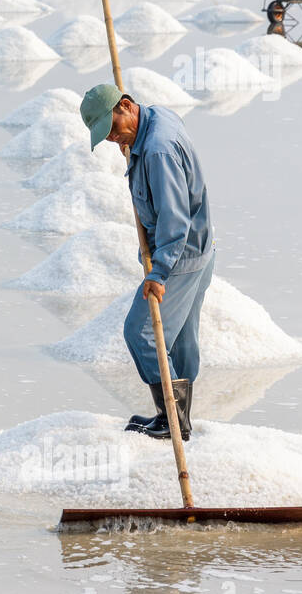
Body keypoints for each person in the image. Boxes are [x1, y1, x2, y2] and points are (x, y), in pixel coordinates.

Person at [79, 83, 216, 440]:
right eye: (105, 135)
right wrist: (130, 142)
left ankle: (172, 420)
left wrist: (159, 272)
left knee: (140, 332)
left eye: (112, 129)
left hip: (180, 256)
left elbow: (174, 218)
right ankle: (176, 417)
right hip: (200, 248)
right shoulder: (155, 120)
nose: (112, 140)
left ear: (126, 106)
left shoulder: (156, 151)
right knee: (183, 340)